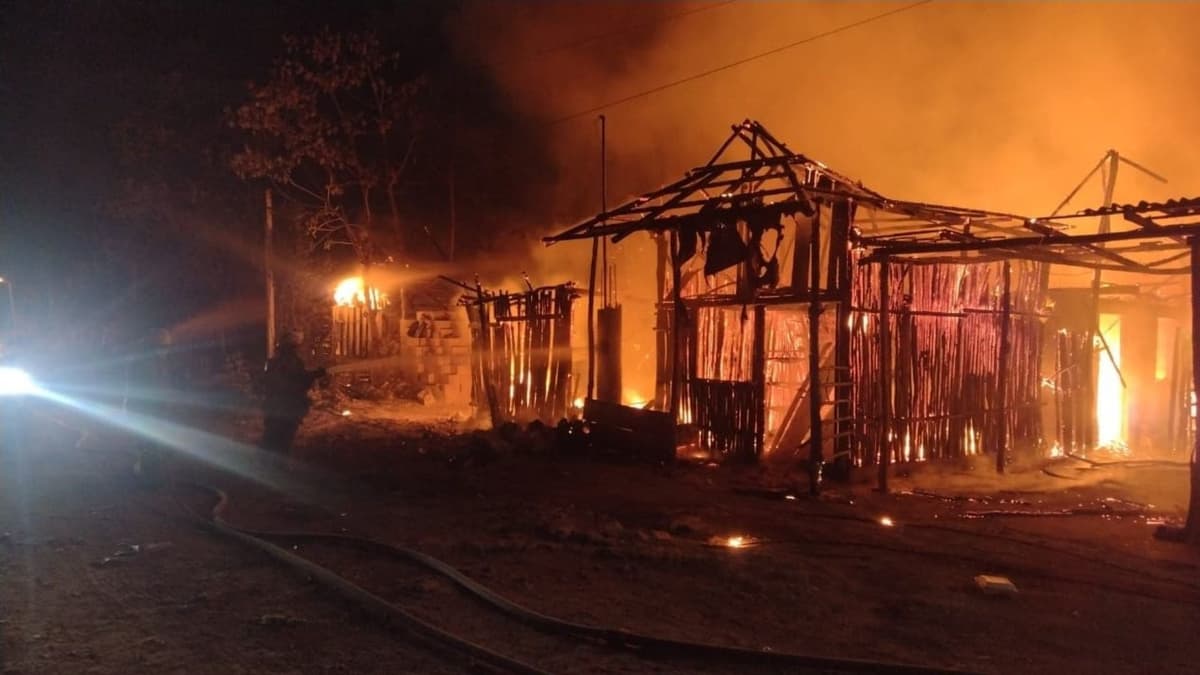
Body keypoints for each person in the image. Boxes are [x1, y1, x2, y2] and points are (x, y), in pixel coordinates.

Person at [260, 330, 325, 459]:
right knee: (284, 437)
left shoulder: (273, 362)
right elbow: (299, 380)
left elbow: (267, 382)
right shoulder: (293, 361)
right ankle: (277, 465)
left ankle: (266, 462)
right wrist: (316, 374)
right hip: (288, 406)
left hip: (274, 406)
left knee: (271, 436)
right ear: (293, 346)